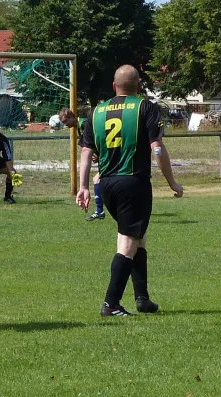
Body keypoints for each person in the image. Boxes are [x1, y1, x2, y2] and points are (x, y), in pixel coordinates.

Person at [76, 65, 183, 316]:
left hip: (107, 184)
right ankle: (111, 304)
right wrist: (172, 182)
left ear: (114, 86)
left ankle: (142, 298)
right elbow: (157, 148)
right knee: (128, 241)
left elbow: (85, 152)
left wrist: (82, 187)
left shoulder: (97, 111)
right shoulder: (145, 107)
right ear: (138, 86)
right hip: (133, 182)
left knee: (138, 238)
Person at [59, 108, 105, 221]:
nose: (66, 125)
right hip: (104, 157)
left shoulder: (84, 124)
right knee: (100, 180)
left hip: (107, 157)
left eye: (66, 122)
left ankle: (100, 211)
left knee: (97, 180)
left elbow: (99, 138)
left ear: (71, 117)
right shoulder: (80, 126)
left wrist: (98, 154)